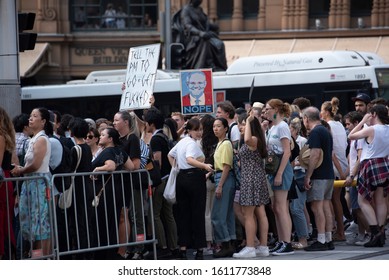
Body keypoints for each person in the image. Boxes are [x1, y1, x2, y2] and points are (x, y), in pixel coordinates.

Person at [168, 118, 213, 260]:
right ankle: (199, 249)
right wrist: (205, 166)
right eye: (196, 130)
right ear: (189, 130)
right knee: (197, 214)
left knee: (183, 215)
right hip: (194, 178)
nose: (199, 132)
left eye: (200, 129)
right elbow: (189, 159)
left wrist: (176, 168)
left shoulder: (182, 142)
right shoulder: (191, 144)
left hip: (181, 178)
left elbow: (170, 154)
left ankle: (183, 248)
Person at [11, 107, 52, 256]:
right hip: (31, 183)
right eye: (30, 116)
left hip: (38, 184)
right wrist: (21, 168)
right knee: (32, 223)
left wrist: (21, 170)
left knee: (40, 224)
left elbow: (36, 164)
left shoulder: (41, 139)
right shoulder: (34, 139)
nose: (31, 118)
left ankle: (40, 257)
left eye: (35, 116)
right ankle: (38, 256)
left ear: (43, 121)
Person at [348, 104, 389, 247]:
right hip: (383, 163)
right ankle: (381, 232)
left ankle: (375, 231)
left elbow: (351, 135)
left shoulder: (371, 129)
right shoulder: (388, 129)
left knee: (362, 201)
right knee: (380, 201)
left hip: (370, 164)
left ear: (374, 114)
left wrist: (362, 121)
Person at [91, 127, 134, 259]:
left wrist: (97, 169)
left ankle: (105, 253)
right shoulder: (120, 152)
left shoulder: (108, 151)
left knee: (104, 222)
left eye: (103, 135)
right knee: (113, 221)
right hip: (117, 190)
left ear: (110, 139)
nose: (100, 136)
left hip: (106, 193)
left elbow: (110, 166)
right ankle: (113, 251)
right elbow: (131, 167)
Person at [232, 112, 270, 258]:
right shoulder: (258, 139)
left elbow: (247, 139)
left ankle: (250, 247)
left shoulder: (253, 139)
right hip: (256, 177)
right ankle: (263, 246)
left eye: (242, 124)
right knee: (261, 214)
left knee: (248, 215)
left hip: (250, 178)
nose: (240, 127)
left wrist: (248, 120)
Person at [144, 108, 178, 259]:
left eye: (146, 122)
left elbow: (157, 161)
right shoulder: (164, 136)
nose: (145, 125)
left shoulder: (156, 139)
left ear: (151, 123)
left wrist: (154, 182)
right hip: (168, 179)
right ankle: (174, 246)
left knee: (155, 214)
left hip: (161, 180)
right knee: (168, 214)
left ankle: (163, 247)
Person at [302, 107, 335, 251]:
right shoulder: (326, 131)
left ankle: (321, 240)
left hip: (319, 176)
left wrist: (308, 175)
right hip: (329, 174)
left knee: (317, 207)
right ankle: (328, 239)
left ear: (306, 119)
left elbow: (314, 154)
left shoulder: (315, 132)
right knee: (326, 206)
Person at [264, 99, 294, 255]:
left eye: (268, 109)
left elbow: (287, 151)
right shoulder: (273, 127)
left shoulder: (282, 127)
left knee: (281, 207)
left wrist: (280, 173)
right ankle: (282, 240)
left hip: (281, 169)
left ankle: (287, 242)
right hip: (274, 169)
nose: (266, 111)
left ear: (276, 109)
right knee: (276, 207)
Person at [320, 97, 348, 241]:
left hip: (335, 167)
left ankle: (338, 232)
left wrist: (341, 172)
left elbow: (331, 151)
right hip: (343, 164)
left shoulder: (327, 126)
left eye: (321, 110)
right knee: (336, 199)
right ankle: (338, 230)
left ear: (325, 112)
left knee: (333, 199)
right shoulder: (340, 124)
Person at [172, 0, 227, 71]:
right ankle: (207, 64)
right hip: (192, 37)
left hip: (203, 34)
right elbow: (188, 26)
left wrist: (213, 26)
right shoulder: (186, 10)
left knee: (219, 44)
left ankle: (220, 67)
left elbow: (204, 22)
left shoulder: (199, 10)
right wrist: (200, 33)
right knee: (204, 40)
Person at [67, 117, 94, 259]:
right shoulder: (87, 148)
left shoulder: (75, 149)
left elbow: (71, 169)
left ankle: (80, 253)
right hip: (87, 186)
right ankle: (87, 252)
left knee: (78, 221)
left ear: (72, 131)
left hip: (78, 188)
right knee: (86, 220)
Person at [343, 111, 370, 246]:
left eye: (348, 124)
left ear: (355, 123)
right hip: (356, 175)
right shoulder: (358, 136)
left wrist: (352, 175)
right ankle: (362, 234)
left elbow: (359, 159)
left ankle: (372, 233)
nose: (347, 126)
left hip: (358, 176)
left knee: (358, 208)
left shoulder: (359, 137)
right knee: (357, 208)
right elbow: (352, 159)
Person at [211, 117, 236, 258]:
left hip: (224, 179)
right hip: (221, 177)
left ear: (226, 128)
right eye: (214, 126)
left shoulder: (225, 144)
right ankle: (231, 242)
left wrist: (220, 186)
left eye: (219, 126)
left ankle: (226, 244)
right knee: (227, 214)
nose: (216, 129)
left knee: (217, 215)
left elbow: (226, 166)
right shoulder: (221, 143)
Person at [289, 117, 310, 249]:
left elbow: (307, 159)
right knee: (297, 208)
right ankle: (303, 235)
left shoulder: (302, 141)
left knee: (297, 208)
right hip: (292, 174)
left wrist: (297, 163)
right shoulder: (286, 141)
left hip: (300, 174)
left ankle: (304, 238)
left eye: (289, 128)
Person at [199, 114, 218, 255]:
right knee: (214, 212)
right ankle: (217, 242)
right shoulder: (218, 142)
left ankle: (208, 242)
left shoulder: (200, 143)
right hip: (215, 178)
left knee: (205, 213)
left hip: (203, 179)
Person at [0, 107, 16, 260]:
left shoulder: (0, 137)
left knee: (3, 219)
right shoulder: (5, 136)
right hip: (4, 179)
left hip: (2, 181)